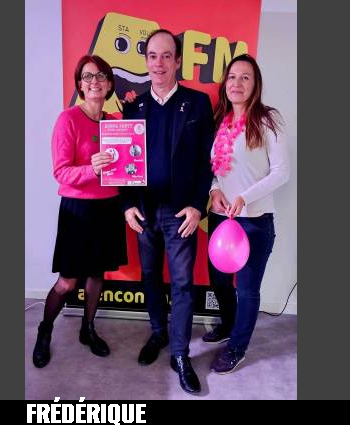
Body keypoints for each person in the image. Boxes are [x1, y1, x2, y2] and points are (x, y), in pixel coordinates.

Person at [121, 29, 214, 394]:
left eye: (166, 56)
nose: (158, 63)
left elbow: (207, 163)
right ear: (146, 62)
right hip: (144, 213)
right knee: (149, 275)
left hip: (180, 214)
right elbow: (124, 164)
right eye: (152, 56)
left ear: (178, 61)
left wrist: (198, 206)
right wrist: (127, 204)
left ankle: (180, 354)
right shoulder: (134, 107)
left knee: (182, 283)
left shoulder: (198, 103)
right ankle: (158, 332)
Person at [32, 55, 127, 368]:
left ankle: (88, 329)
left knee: (97, 274)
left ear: (109, 84)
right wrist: (91, 169)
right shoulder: (68, 119)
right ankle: (45, 330)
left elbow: (130, 164)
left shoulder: (116, 122)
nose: (94, 81)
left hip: (109, 207)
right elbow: (60, 172)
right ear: (80, 85)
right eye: (87, 77)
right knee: (67, 282)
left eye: (100, 76)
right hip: (78, 210)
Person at [203, 54, 290, 374]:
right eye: (232, 77)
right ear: (224, 83)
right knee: (219, 280)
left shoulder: (267, 120)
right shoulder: (220, 120)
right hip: (221, 219)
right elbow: (214, 169)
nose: (237, 83)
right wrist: (214, 190)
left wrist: (244, 197)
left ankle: (237, 348)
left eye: (245, 77)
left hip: (254, 221)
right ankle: (228, 325)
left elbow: (282, 172)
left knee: (248, 289)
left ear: (255, 85)